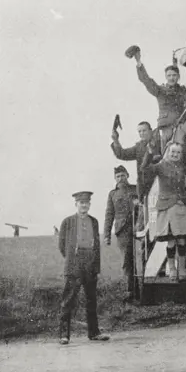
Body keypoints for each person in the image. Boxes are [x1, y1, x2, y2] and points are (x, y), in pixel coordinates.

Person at [58, 191, 110, 344]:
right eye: (81, 203)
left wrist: (95, 265)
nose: (84, 205)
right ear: (76, 204)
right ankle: (64, 335)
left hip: (90, 263)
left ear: (90, 204)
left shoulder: (94, 221)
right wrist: (72, 260)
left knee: (91, 299)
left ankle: (94, 333)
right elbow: (62, 246)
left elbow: (96, 245)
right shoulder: (67, 221)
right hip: (74, 263)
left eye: (87, 203)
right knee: (68, 300)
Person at [142, 142, 186, 281]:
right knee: (171, 241)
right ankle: (172, 268)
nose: (175, 155)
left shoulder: (182, 167)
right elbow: (145, 169)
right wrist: (149, 154)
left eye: (178, 152)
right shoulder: (160, 166)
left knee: (182, 239)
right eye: (172, 152)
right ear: (167, 152)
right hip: (167, 207)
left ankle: (182, 268)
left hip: (181, 206)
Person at [134, 48, 186, 156]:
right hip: (167, 127)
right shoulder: (160, 91)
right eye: (169, 75)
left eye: (174, 75)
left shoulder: (183, 91)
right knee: (167, 154)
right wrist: (139, 62)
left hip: (181, 125)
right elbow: (146, 80)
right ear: (165, 77)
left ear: (178, 76)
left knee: (182, 151)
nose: (171, 78)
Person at [103, 166, 139, 301]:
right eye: (118, 176)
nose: (120, 178)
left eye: (123, 175)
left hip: (137, 226)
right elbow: (109, 214)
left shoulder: (136, 189)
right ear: (115, 178)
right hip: (122, 230)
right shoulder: (112, 194)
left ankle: (143, 290)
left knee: (142, 259)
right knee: (127, 261)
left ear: (128, 175)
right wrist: (106, 234)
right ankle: (131, 292)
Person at [110, 120, 155, 199]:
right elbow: (122, 154)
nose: (141, 133)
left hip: (157, 181)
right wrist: (115, 140)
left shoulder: (159, 142)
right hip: (143, 186)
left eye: (144, 130)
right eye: (139, 131)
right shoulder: (138, 147)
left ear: (150, 131)